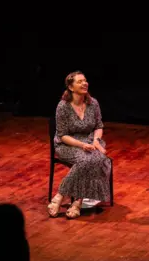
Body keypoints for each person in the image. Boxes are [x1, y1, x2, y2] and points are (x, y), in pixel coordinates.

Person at [47, 71, 111, 219]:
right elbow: (62, 135)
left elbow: (99, 126)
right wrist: (82, 145)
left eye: (85, 80)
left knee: (97, 159)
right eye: (80, 81)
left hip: (90, 141)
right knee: (90, 160)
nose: (85, 83)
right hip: (67, 144)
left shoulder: (93, 103)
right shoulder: (63, 106)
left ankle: (69, 200)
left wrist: (96, 140)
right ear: (70, 87)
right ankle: (75, 201)